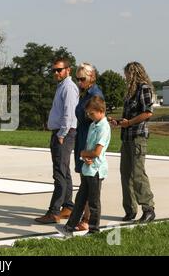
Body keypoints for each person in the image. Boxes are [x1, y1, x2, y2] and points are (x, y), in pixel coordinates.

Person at [109, 62, 156, 223]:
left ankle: (148, 208)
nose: (125, 77)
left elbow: (148, 112)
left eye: (127, 74)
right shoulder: (130, 92)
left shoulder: (143, 88)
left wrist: (129, 123)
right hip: (126, 137)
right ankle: (130, 210)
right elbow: (130, 116)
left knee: (137, 174)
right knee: (125, 174)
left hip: (137, 137)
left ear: (134, 73)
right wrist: (119, 122)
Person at [35, 58, 79, 224]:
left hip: (64, 134)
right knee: (64, 171)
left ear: (68, 70)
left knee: (59, 173)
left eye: (59, 70)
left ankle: (54, 212)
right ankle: (68, 206)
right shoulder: (62, 86)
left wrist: (61, 134)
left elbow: (70, 113)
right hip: (61, 132)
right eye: (53, 70)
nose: (55, 73)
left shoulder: (68, 87)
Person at [63, 96, 111, 235]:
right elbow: (89, 148)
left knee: (94, 202)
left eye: (92, 113)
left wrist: (84, 153)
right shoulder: (92, 125)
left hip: (96, 170)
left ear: (101, 111)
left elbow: (96, 151)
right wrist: (85, 156)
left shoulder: (104, 127)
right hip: (87, 168)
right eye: (88, 114)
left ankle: (94, 228)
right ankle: (70, 225)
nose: (89, 116)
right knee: (80, 200)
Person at [73, 63, 104, 231]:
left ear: (92, 77)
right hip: (82, 138)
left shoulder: (95, 94)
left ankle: (88, 219)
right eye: (77, 79)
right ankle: (84, 217)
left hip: (89, 141)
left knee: (90, 182)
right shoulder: (85, 94)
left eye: (82, 79)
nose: (79, 82)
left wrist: (92, 150)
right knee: (84, 180)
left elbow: (98, 122)